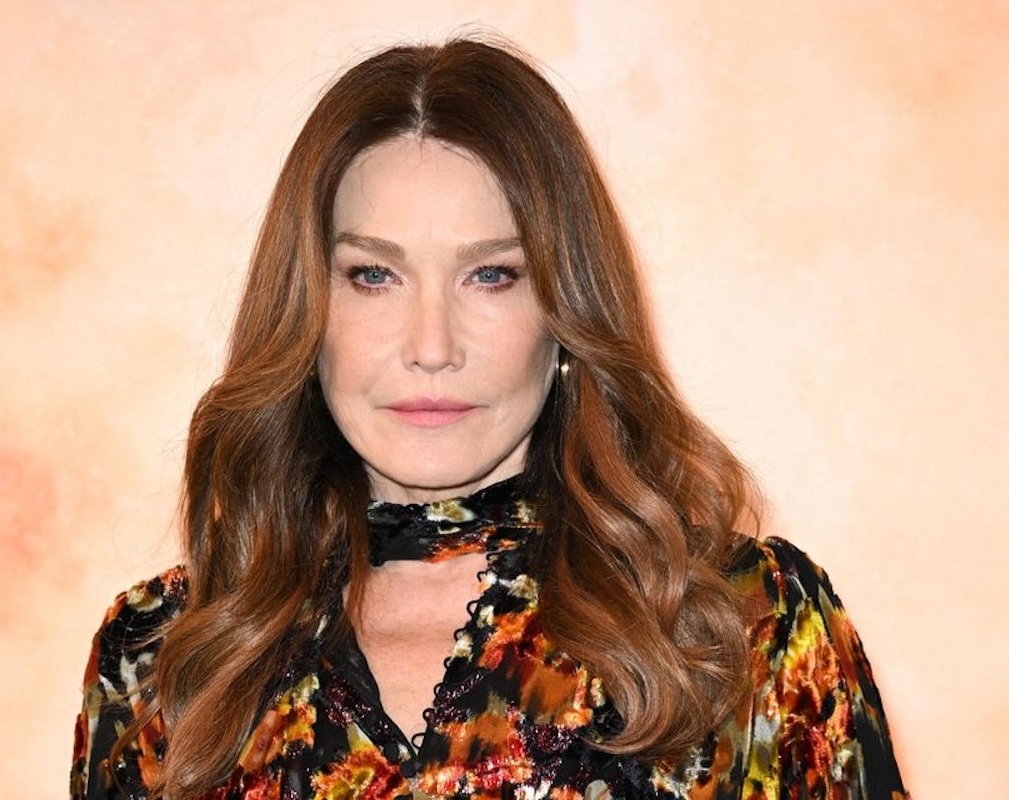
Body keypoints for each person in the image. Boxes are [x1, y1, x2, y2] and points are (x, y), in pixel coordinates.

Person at [71, 37, 907, 800]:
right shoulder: (161, 660)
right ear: (305, 311)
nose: (431, 347)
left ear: (565, 310)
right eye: (373, 276)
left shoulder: (745, 625)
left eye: (491, 276)